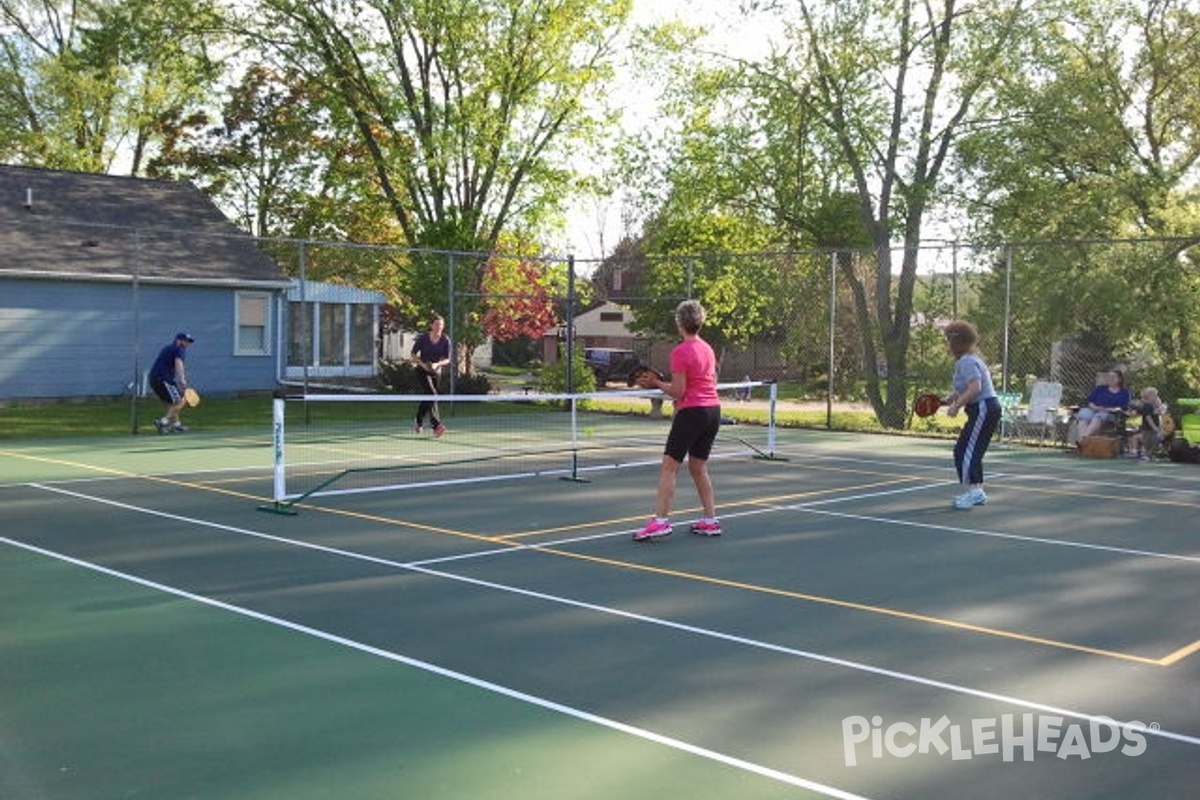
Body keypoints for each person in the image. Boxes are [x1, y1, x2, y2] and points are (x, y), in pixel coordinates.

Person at [633, 299, 722, 541]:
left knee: (669, 466)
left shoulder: (681, 352)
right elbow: (707, 383)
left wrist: (657, 383)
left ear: (679, 323)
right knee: (698, 467)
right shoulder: (707, 348)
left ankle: (661, 521)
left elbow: (680, 391)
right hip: (713, 411)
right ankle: (711, 521)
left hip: (693, 413)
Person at [942, 321, 1001, 510]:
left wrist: (956, 406)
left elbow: (976, 388)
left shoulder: (967, 361)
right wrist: (946, 401)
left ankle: (975, 493)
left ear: (956, 342)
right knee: (968, 450)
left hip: (983, 408)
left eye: (949, 339)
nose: (947, 344)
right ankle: (977, 491)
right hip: (983, 408)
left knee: (965, 451)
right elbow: (964, 389)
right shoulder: (967, 360)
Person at [411, 315, 452, 437]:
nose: (439, 327)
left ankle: (418, 420)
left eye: (441, 325)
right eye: (436, 324)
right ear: (431, 325)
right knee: (432, 394)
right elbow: (413, 354)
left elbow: (447, 359)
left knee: (430, 396)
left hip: (435, 372)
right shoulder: (423, 338)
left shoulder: (445, 340)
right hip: (422, 370)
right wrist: (423, 365)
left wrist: (437, 364)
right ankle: (437, 425)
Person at [149, 332, 195, 434]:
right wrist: (182, 379)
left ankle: (176, 425)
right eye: (185, 341)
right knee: (181, 400)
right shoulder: (178, 349)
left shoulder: (168, 348)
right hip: (163, 379)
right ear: (178, 340)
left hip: (154, 379)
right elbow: (179, 363)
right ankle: (163, 421)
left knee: (172, 403)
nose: (187, 343)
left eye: (189, 341)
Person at [1075, 370, 1132, 439]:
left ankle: (1083, 440)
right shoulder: (1100, 388)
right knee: (1084, 415)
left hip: (1110, 414)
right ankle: (1084, 441)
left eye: (1113, 377)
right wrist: (1096, 407)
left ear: (1119, 379)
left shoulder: (1124, 393)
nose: (1110, 379)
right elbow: (1090, 402)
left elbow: (1122, 408)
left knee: (1098, 417)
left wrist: (1107, 409)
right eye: (1109, 377)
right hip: (1094, 409)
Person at [1129, 386, 1164, 461]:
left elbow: (1158, 414)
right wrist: (1154, 427)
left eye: (1157, 395)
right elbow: (1148, 418)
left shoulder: (1152, 406)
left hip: (1152, 428)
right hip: (1148, 428)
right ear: (1149, 397)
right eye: (1155, 395)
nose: (1156, 397)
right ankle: (1145, 455)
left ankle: (1150, 455)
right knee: (1148, 442)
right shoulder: (1147, 406)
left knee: (1154, 441)